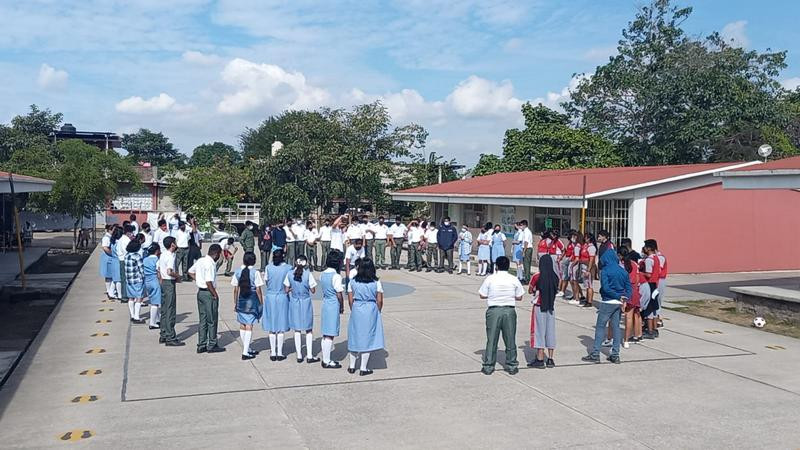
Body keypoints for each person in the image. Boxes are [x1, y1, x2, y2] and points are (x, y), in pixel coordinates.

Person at [582, 248, 632, 364]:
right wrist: (624, 297)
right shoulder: (623, 271)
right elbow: (629, 288)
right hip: (618, 304)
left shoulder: (605, 271)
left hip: (607, 302)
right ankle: (615, 354)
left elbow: (605, 288)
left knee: (600, 327)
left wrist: (617, 295)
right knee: (616, 328)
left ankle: (595, 353)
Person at [478, 256, 524, 375]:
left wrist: (493, 295)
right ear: (508, 266)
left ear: (496, 266)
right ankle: (512, 364)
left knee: (492, 338)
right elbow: (519, 297)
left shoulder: (490, 279)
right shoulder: (513, 279)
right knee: (510, 338)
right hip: (509, 310)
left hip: (494, 310)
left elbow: (482, 295)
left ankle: (488, 365)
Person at [347, 258, 385, 376]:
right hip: (370, 308)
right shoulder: (376, 282)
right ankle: (363, 368)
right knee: (368, 337)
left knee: (354, 335)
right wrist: (377, 310)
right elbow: (379, 300)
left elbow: (350, 300)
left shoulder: (352, 282)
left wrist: (354, 309)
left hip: (357, 307)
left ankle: (352, 366)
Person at [188, 244, 225, 354]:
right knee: (212, 319)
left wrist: (199, 279)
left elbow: (190, 272)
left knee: (202, 319)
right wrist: (214, 294)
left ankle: (201, 344)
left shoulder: (201, 260)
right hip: (208, 293)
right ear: (216, 254)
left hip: (200, 292)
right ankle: (212, 344)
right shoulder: (210, 264)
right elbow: (209, 282)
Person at [285, 255, 319, 363]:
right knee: (308, 329)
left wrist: (293, 288)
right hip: (305, 301)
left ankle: (299, 355)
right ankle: (309, 355)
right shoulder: (308, 274)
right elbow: (313, 290)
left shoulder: (290, 274)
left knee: (297, 329)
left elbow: (286, 289)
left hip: (295, 301)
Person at [528, 254, 558, 368]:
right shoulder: (555, 277)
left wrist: (536, 289)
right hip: (551, 306)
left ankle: (540, 358)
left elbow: (530, 290)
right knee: (550, 331)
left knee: (539, 331)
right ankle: (550, 358)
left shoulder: (537, 276)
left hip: (539, 306)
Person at [232, 252, 264, 360]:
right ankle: (245, 352)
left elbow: (236, 289)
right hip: (252, 299)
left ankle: (248, 347)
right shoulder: (255, 272)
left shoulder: (237, 272)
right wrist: (261, 303)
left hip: (241, 299)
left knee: (242, 324)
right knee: (249, 324)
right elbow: (258, 290)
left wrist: (235, 302)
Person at [263, 250, 293, 361]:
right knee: (281, 325)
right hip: (282, 296)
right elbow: (289, 283)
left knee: (272, 326)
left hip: (270, 296)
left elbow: (266, 281)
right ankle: (279, 352)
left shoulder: (268, 267)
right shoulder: (288, 268)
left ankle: (273, 352)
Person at [319, 250, 345, 368]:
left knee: (325, 333)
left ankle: (325, 358)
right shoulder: (336, 276)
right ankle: (327, 360)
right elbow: (339, 293)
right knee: (330, 333)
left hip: (325, 303)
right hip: (333, 304)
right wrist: (342, 306)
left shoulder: (322, 274)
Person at [157, 237, 184, 346]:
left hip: (163, 282)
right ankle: (170, 336)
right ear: (172, 245)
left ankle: (163, 333)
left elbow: (158, 268)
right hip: (169, 282)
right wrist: (178, 276)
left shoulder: (163, 254)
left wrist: (160, 279)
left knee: (164, 309)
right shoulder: (171, 256)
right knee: (170, 310)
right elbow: (169, 271)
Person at [640, 240, 662, 339]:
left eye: (645, 246)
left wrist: (640, 273)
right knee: (653, 309)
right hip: (655, 285)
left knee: (649, 309)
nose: (644, 248)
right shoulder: (656, 258)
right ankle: (654, 329)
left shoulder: (649, 260)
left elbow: (648, 274)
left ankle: (649, 331)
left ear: (648, 248)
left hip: (650, 285)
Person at [621, 249, 643, 348]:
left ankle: (626, 338)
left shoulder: (622, 265)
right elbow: (638, 279)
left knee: (628, 316)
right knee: (636, 314)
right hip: (635, 290)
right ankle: (637, 335)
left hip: (627, 291)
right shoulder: (635, 264)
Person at [124, 239, 146, 324]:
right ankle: (137, 317)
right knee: (139, 298)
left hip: (129, 280)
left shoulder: (127, 255)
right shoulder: (137, 256)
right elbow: (141, 269)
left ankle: (132, 315)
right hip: (137, 280)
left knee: (131, 298)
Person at [142, 243, 162, 330]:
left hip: (147, 281)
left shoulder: (145, 260)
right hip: (155, 281)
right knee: (155, 303)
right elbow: (159, 272)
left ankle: (157, 319)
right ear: (157, 251)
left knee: (153, 300)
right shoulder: (157, 260)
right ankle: (152, 322)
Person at [578, 233, 597, 307]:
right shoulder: (586, 246)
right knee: (586, 285)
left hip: (588, 268)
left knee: (589, 285)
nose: (585, 239)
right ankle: (587, 299)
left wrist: (588, 270)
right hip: (583, 267)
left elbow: (592, 260)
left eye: (586, 238)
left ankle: (589, 301)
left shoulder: (591, 247)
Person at [117, 224, 133, 303]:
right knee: (125, 278)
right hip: (124, 260)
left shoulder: (121, 239)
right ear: (128, 232)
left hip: (121, 259)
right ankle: (125, 295)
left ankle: (125, 295)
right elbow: (127, 250)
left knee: (124, 278)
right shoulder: (126, 240)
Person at [100, 224, 117, 300]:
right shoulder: (106, 238)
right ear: (110, 230)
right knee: (108, 274)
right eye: (114, 230)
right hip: (108, 257)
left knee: (110, 274)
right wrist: (112, 253)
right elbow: (105, 248)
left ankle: (110, 290)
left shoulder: (110, 237)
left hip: (110, 257)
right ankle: (108, 290)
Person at [559, 230, 577, 298]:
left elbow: (574, 253)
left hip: (570, 260)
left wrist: (569, 259)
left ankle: (577, 295)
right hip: (567, 259)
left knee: (572, 280)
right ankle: (562, 291)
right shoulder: (570, 243)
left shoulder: (574, 244)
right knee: (565, 277)